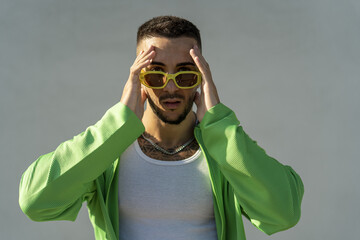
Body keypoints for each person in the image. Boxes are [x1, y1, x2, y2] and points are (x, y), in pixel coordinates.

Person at [19, 16, 304, 240]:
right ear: (139, 78)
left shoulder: (224, 150)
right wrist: (117, 124)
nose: (170, 87)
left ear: (201, 79)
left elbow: (283, 213)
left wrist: (219, 125)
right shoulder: (108, 152)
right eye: (155, 74)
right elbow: (35, 201)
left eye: (185, 74)